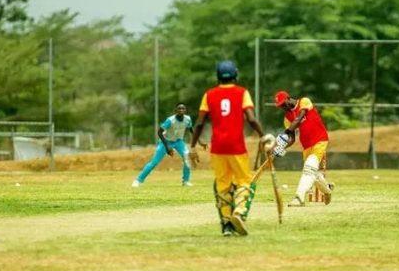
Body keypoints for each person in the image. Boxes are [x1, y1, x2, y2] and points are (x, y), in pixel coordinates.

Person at [189, 60, 270, 237]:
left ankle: (226, 224)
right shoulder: (242, 92)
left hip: (218, 147)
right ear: (235, 75)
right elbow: (251, 119)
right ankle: (239, 212)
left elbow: (200, 123)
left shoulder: (209, 95)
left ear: (218, 76)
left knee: (222, 184)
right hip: (236, 146)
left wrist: (193, 145)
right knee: (244, 181)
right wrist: (263, 136)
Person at [273, 90, 334, 207]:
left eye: (283, 104)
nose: (282, 107)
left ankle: (299, 198)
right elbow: (291, 139)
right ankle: (327, 191)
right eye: (280, 106)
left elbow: (299, 118)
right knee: (313, 172)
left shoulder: (304, 101)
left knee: (309, 169)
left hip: (320, 139)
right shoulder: (287, 118)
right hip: (306, 145)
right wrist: (280, 147)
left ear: (288, 98)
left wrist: (285, 133)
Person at [132, 102, 206, 188]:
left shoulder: (187, 119)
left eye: (183, 108)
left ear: (185, 110)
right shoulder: (170, 120)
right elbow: (159, 132)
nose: (181, 110)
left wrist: (200, 142)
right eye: (179, 108)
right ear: (176, 110)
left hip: (179, 142)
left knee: (187, 158)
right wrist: (167, 147)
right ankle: (138, 180)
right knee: (154, 162)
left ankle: (186, 181)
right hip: (166, 141)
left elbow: (191, 130)